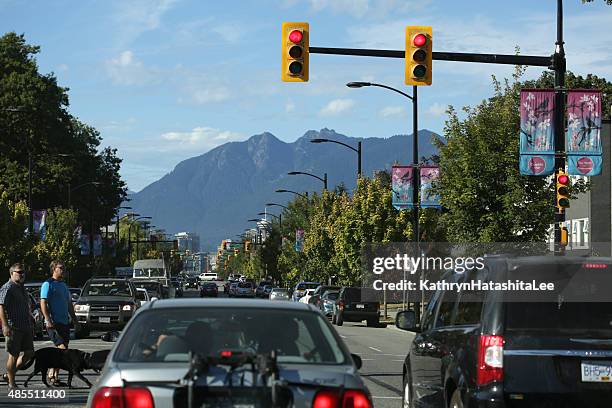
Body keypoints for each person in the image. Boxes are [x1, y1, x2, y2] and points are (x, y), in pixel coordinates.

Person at [40, 260, 80, 386]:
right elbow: (43, 302)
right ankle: (52, 375)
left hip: (64, 322)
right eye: (61, 268)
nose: (63, 270)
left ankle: (54, 375)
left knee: (63, 350)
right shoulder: (48, 284)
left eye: (64, 268)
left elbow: (69, 304)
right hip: (54, 323)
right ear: (54, 269)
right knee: (62, 350)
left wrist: (75, 320)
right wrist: (48, 319)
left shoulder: (63, 285)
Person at [0, 263, 35, 389]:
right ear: (11, 273)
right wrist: (5, 326)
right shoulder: (8, 287)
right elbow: (1, 306)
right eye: (19, 272)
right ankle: (11, 383)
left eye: (23, 272)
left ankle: (9, 375)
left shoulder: (21, 287)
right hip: (14, 327)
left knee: (30, 353)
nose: (22, 274)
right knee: (13, 355)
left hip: (25, 326)